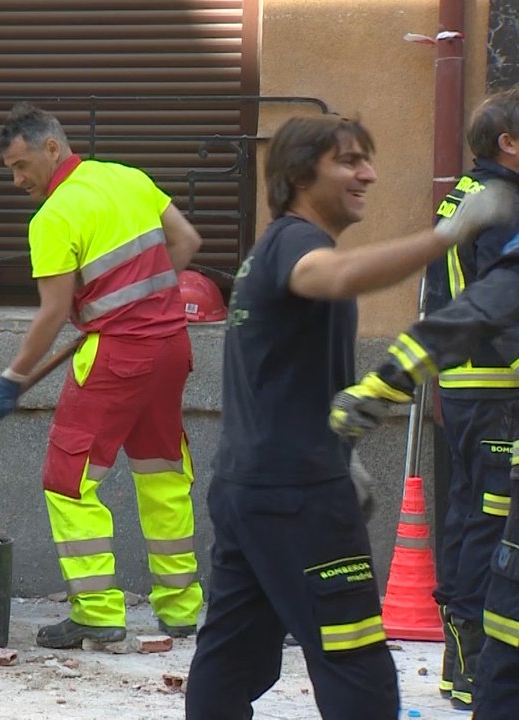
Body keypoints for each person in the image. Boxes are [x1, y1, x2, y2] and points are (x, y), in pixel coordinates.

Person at [185, 114, 511, 720]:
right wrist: (444, 237)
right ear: (301, 173)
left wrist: (344, 454)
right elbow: (330, 277)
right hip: (300, 498)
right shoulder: (299, 247)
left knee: (231, 660)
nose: (370, 174)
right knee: (356, 666)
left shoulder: (271, 248)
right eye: (351, 161)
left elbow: (283, 380)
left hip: (249, 488)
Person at [0, 103, 204, 648]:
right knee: (163, 476)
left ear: (51, 148)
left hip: (117, 358)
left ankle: (97, 613)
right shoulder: (128, 178)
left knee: (69, 479)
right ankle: (181, 610)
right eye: (9, 170)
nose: (17, 181)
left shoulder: (54, 217)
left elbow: (54, 311)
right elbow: (188, 243)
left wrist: (14, 375)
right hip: (171, 347)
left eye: (20, 166)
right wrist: (143, 297)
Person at [414, 89, 519, 711]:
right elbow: (501, 303)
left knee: (467, 518)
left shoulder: (464, 193)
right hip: (497, 389)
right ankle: (478, 668)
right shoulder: (506, 203)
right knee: (490, 526)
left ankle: (461, 664)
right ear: (508, 142)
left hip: (464, 388)